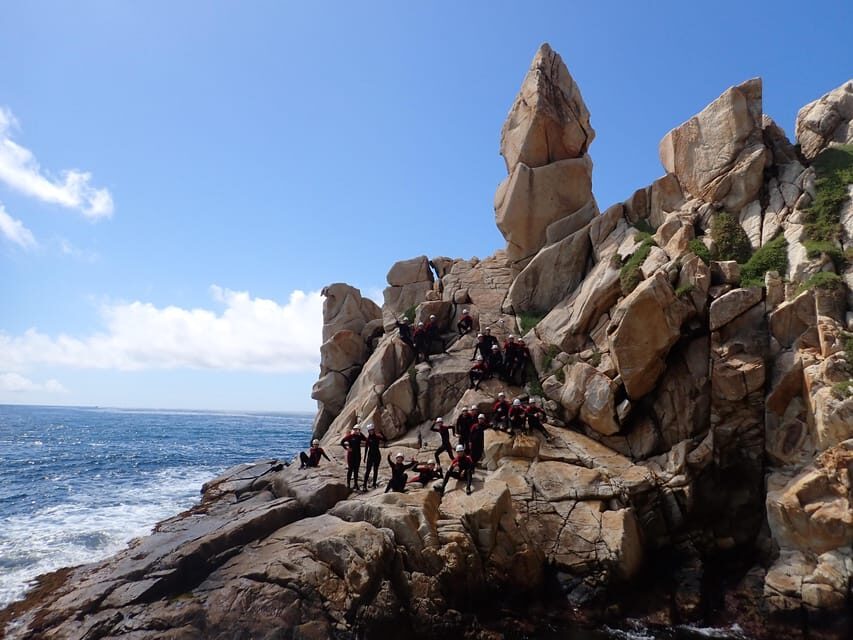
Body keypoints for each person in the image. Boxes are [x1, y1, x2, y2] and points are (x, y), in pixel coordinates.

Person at [363, 423, 386, 490]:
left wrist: (382, 434)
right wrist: (364, 457)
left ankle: (374, 484)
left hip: (377, 455)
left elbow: (385, 440)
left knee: (375, 470)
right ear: (368, 431)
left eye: (372, 430)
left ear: (373, 430)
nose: (371, 432)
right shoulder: (368, 439)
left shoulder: (377, 436)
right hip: (370, 456)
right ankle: (364, 485)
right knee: (368, 470)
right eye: (370, 431)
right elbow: (366, 448)